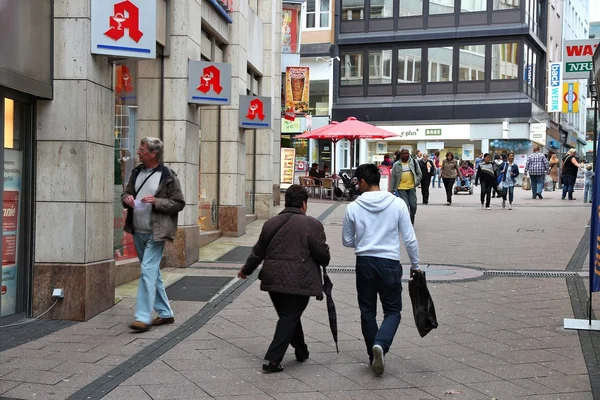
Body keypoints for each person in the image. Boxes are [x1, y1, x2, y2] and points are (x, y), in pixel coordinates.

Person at [238, 185, 330, 373]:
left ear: (286, 200)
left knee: (289, 315)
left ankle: (301, 350)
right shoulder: (312, 224)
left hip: (273, 279)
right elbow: (323, 256)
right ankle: (273, 359)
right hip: (300, 279)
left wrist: (246, 270)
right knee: (290, 316)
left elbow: (258, 251)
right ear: (304, 203)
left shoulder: (271, 223)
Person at [342, 164, 422, 376]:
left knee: (367, 311)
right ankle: (381, 345)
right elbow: (410, 239)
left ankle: (373, 355)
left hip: (365, 263)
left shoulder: (352, 208)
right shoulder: (397, 204)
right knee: (393, 310)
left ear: (362, 182)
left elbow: (347, 241)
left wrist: (365, 239)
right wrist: (416, 266)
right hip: (389, 263)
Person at [122, 137, 185, 332]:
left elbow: (179, 203)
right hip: (138, 230)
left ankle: (142, 317)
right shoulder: (136, 171)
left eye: (142, 149)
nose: (138, 152)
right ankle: (165, 313)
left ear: (153, 153)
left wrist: (157, 201)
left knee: (147, 271)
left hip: (156, 232)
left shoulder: (167, 175)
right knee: (152, 273)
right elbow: (125, 195)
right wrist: (128, 199)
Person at [391, 148, 422, 224]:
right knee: (405, 206)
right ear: (401, 155)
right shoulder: (396, 165)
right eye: (403, 153)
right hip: (401, 188)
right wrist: (391, 191)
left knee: (413, 206)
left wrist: (416, 183)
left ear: (409, 154)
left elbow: (419, 173)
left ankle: (412, 219)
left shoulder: (414, 162)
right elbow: (393, 178)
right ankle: (406, 223)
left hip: (411, 187)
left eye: (407, 153)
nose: (405, 155)